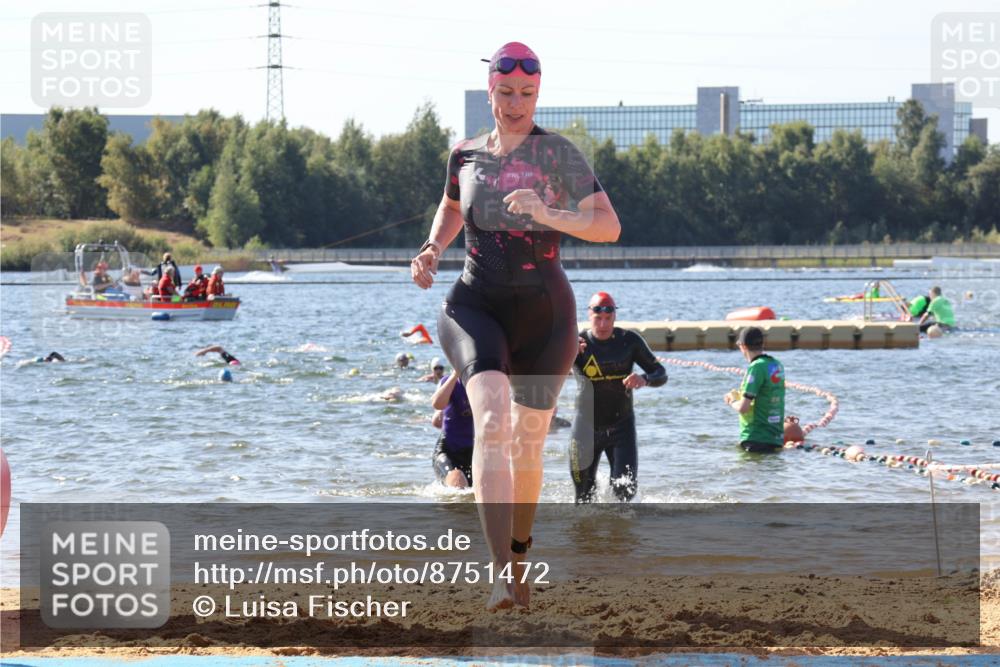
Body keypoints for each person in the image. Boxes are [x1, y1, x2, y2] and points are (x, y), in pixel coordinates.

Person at [410, 41, 621, 610]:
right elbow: (453, 207)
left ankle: (519, 561)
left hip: (547, 316)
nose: (515, 103)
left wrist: (550, 212)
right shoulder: (465, 154)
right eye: (506, 93)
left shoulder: (560, 156)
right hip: (475, 306)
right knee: (492, 421)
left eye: (526, 94)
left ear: (538, 92)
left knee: (527, 446)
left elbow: (608, 227)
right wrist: (432, 247)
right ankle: (502, 570)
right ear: (490, 92)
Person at [569, 292, 667, 503]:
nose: (603, 324)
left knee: (625, 493)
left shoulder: (629, 341)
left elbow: (661, 373)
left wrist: (644, 379)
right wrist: (566, 354)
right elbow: (548, 372)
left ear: (614, 317)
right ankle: (585, 536)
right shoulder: (575, 343)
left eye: (608, 319)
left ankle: (620, 535)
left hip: (621, 427)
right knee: (583, 498)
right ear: (589, 315)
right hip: (585, 429)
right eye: (598, 318)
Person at [725, 326, 786, 454]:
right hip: (775, 437)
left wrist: (732, 400)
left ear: (742, 346)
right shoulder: (776, 364)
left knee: (748, 472)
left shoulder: (756, 367)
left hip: (755, 437)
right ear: (762, 344)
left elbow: (744, 407)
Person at [431, 372, 475, 488]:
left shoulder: (490, 385)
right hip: (449, 451)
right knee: (458, 483)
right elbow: (437, 404)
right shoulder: (449, 381)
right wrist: (456, 373)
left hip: (476, 452)